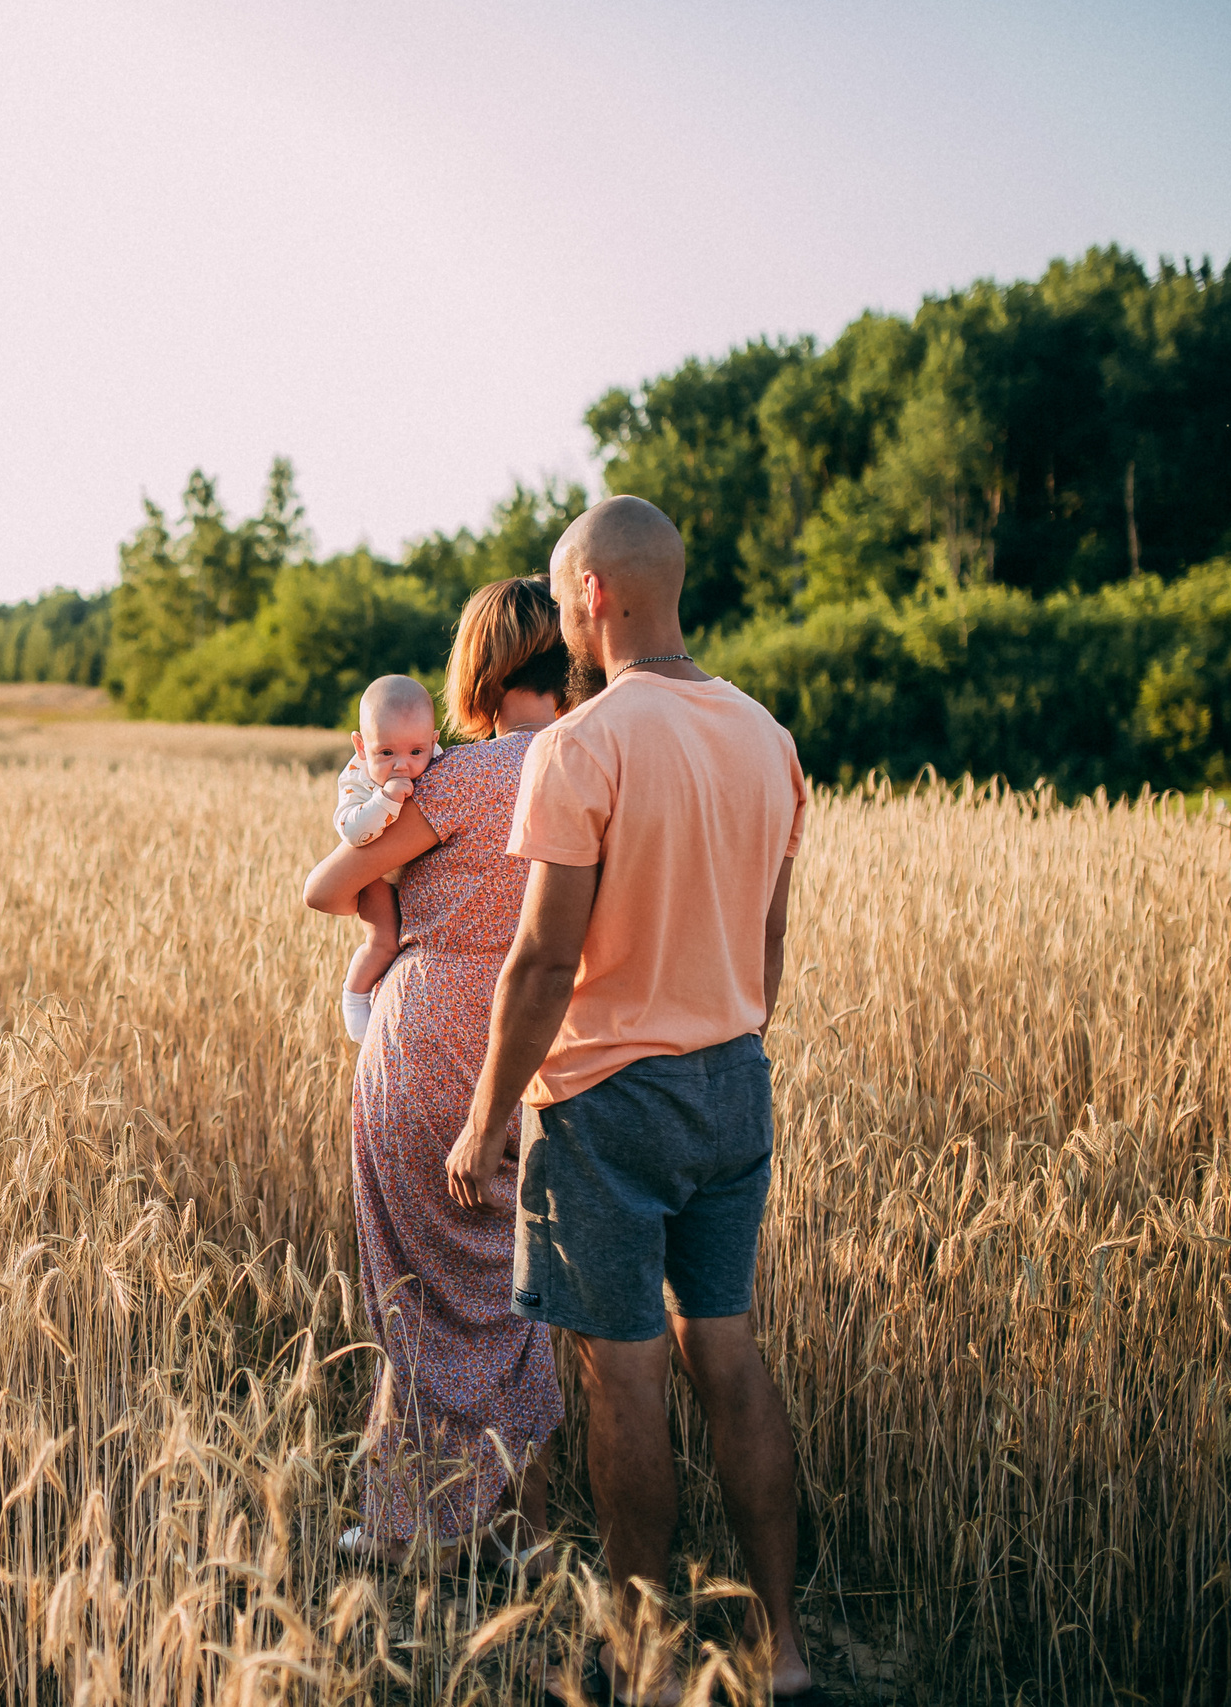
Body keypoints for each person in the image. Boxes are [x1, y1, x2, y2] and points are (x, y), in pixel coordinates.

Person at [443, 496, 814, 1703]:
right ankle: (788, 1651)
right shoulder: (765, 735)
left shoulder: (580, 744)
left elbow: (545, 959)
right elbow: (765, 951)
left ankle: (644, 1664)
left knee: (628, 1377)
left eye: (560, 595)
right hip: (733, 1084)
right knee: (732, 1354)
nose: (558, 619)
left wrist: (488, 1112)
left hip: (606, 1103)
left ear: (595, 595)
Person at [301, 578, 572, 1570]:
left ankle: (408, 1526)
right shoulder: (598, 762)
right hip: (542, 1045)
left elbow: (324, 886)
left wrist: (390, 893)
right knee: (524, 1294)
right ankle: (524, 1533)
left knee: (411, 1294)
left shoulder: (453, 780)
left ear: (479, 668)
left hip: (419, 1043)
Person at [332, 676, 442, 1043]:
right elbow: (351, 831)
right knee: (383, 942)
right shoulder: (356, 779)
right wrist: (386, 800)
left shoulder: (440, 766)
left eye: (416, 752)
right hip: (375, 875)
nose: (402, 766)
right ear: (361, 747)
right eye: (386, 753)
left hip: (415, 869)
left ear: (434, 742)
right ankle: (355, 996)